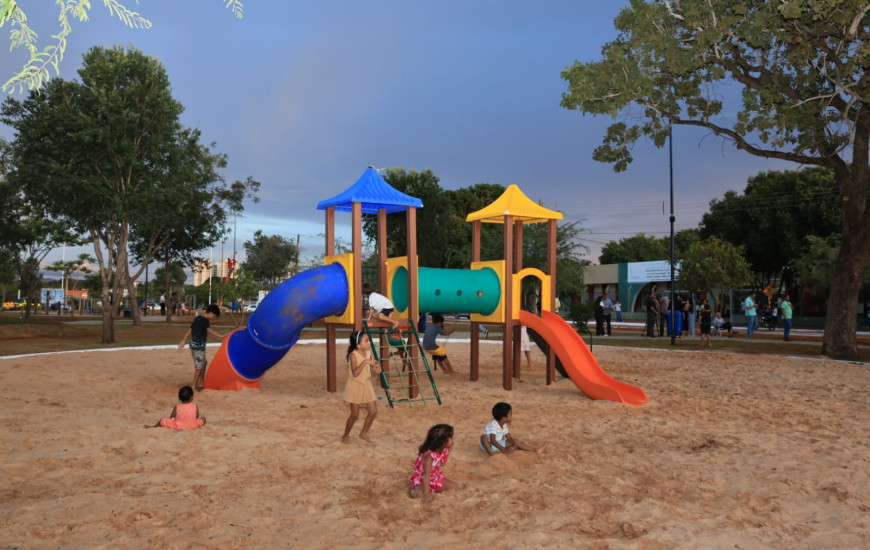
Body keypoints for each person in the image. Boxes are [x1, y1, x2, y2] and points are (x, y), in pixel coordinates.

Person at [341, 331, 381, 443]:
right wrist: (365, 362)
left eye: (369, 340)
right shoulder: (353, 355)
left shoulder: (367, 352)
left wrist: (377, 366)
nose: (369, 343)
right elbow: (355, 373)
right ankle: (345, 435)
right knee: (355, 415)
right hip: (355, 385)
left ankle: (363, 433)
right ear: (358, 345)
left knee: (373, 411)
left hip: (366, 384)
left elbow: (373, 364)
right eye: (366, 341)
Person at [178, 304, 224, 392]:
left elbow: (190, 329)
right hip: (198, 347)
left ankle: (201, 382)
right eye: (213, 316)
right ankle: (193, 387)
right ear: (211, 313)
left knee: (204, 363)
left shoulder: (198, 318)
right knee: (199, 367)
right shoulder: (205, 320)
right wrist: (220, 336)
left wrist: (183, 340)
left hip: (194, 345)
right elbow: (209, 330)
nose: (213, 318)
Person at [408, 424, 460, 502]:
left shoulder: (443, 449)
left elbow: (442, 461)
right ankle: (414, 488)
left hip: (435, 478)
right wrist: (426, 494)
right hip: (423, 480)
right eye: (451, 438)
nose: (453, 440)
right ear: (442, 441)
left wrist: (449, 445)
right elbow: (426, 474)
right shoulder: (429, 456)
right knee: (419, 494)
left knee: (456, 487)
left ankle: (433, 489)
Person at [479, 402, 546, 455]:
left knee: (515, 441)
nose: (511, 416)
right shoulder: (493, 425)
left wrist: (514, 445)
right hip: (488, 446)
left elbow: (509, 438)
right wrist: (504, 450)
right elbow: (492, 441)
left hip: (498, 445)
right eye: (510, 414)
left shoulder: (504, 424)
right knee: (483, 437)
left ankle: (535, 450)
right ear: (504, 418)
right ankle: (492, 454)